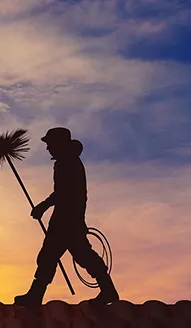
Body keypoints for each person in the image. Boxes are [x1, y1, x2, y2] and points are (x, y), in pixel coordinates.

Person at [14, 127, 119, 307]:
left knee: (54, 256)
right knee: (75, 255)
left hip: (66, 220)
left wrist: (43, 206)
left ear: (58, 144)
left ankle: (35, 295)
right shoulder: (69, 161)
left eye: (50, 144)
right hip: (70, 219)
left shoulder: (66, 162)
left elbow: (64, 192)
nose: (48, 148)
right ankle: (107, 290)